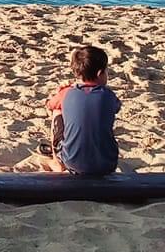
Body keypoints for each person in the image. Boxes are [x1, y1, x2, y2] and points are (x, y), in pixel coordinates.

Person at [39, 45, 120, 175]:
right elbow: (115, 107)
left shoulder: (66, 92)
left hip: (73, 163)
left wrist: (61, 92)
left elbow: (50, 105)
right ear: (100, 73)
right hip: (108, 164)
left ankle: (57, 162)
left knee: (57, 111)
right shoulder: (109, 95)